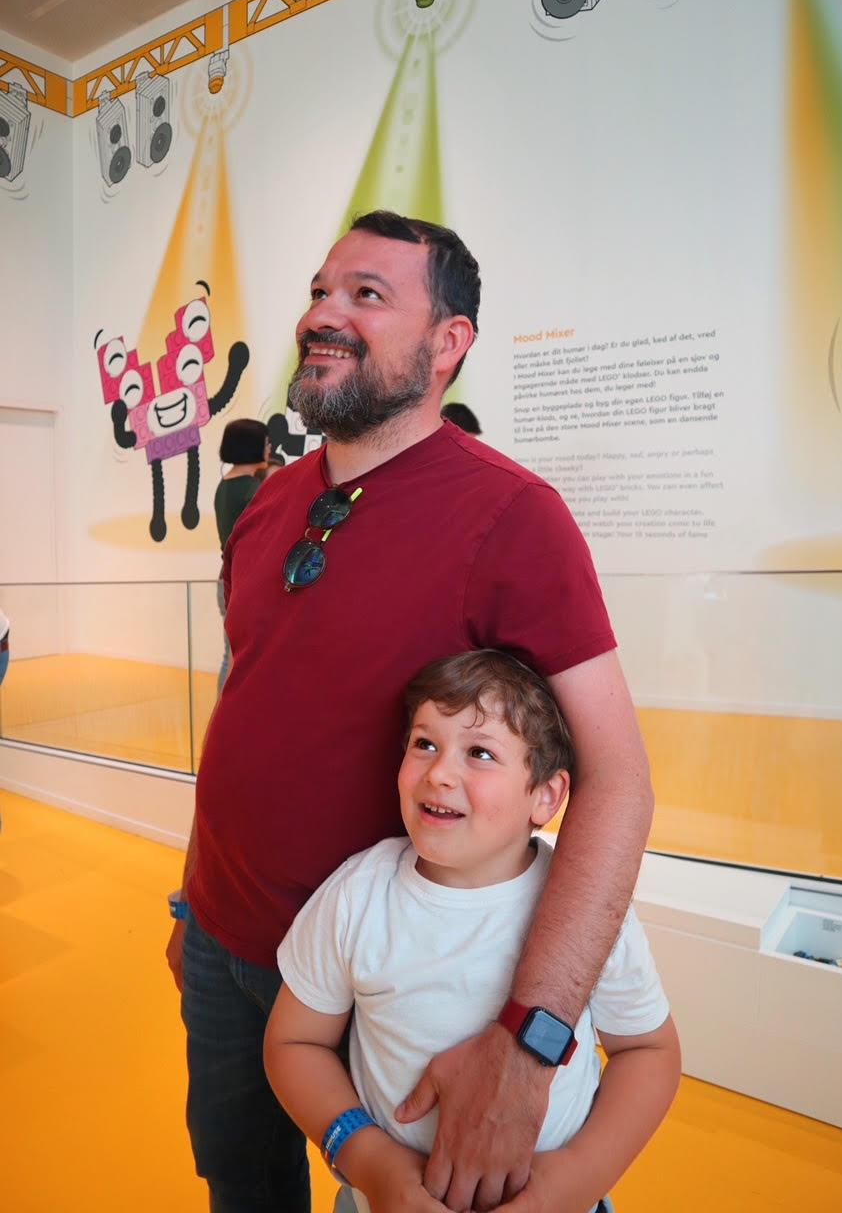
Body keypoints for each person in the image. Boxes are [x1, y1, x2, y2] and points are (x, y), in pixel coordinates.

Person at [166, 210, 653, 1213]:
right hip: (223, 939)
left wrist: (530, 1041)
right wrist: (190, 899)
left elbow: (616, 780)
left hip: (389, 970)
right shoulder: (269, 504)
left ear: (447, 342)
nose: (322, 314)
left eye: (367, 295)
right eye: (319, 290)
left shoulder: (513, 516)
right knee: (239, 1180)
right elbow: (244, 700)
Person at [265, 651, 680, 1213]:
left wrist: (572, 1182)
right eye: (424, 743)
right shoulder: (356, 895)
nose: (439, 772)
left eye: (480, 752)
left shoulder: (581, 909)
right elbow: (295, 1043)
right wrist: (370, 1162)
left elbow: (649, 1052)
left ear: (546, 796)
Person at [213, 418, 270, 694]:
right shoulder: (253, 490)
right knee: (242, 660)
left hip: (227, 581)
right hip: (244, 585)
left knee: (230, 656)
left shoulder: (225, 484)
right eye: (266, 443)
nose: (269, 449)